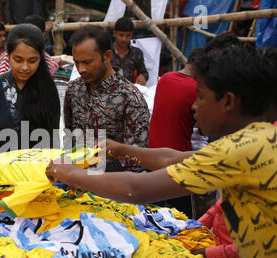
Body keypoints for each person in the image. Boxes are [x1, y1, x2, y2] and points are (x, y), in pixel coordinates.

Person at [46, 45, 276, 258]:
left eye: (200, 96)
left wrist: (70, 174)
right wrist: (121, 150)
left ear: (228, 102)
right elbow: (174, 158)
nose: (195, 106)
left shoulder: (240, 149)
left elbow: (137, 189)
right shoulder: (259, 139)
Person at [0, 24, 60, 162]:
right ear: (8, 54)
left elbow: (52, 142)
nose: (24, 67)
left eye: (32, 61)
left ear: (40, 58)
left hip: (34, 173)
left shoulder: (48, 90)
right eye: (18, 60)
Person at [64, 25, 149, 172]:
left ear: (107, 56)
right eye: (77, 62)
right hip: (75, 183)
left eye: (87, 62)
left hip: (111, 187)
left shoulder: (129, 96)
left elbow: (136, 158)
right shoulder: (74, 89)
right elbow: (70, 135)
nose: (81, 68)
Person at [148, 48, 205, 214]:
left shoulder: (165, 78)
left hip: (152, 156)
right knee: (183, 217)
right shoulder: (196, 89)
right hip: (178, 160)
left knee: (154, 214)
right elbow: (202, 128)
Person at [111, 16, 148, 85]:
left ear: (132, 35)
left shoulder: (136, 53)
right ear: (114, 33)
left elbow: (144, 72)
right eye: (121, 35)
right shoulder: (107, 52)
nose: (124, 39)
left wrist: (142, 76)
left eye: (128, 35)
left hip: (128, 92)